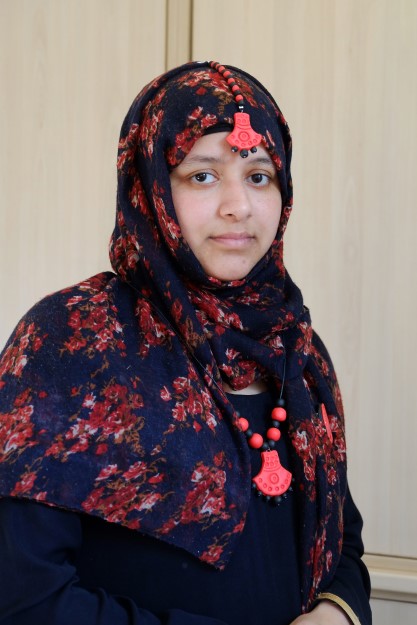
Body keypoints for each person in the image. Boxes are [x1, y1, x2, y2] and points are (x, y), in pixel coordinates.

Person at [0, 61, 371, 625]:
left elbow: (341, 541)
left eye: (259, 175)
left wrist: (337, 615)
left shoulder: (296, 348)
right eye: (202, 175)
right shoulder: (72, 339)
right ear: (150, 190)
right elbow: (24, 599)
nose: (238, 206)